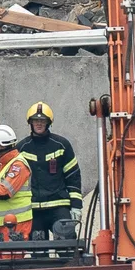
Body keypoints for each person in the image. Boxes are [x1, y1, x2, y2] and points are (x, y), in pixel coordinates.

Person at [16, 102, 83, 240]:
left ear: (48, 123)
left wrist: (76, 206)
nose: (39, 124)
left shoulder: (61, 145)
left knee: (67, 247)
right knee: (38, 254)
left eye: (42, 120)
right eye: (36, 120)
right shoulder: (22, 148)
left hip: (59, 207)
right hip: (33, 210)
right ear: (30, 122)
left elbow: (73, 177)